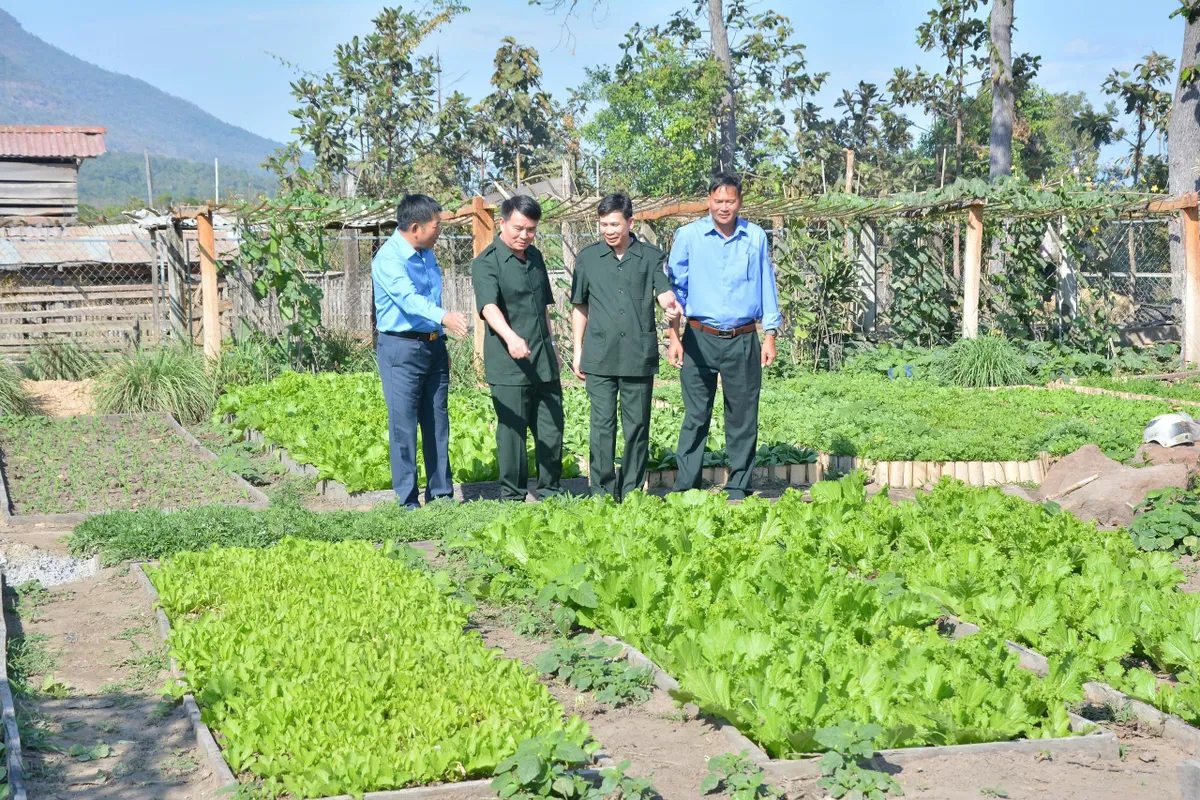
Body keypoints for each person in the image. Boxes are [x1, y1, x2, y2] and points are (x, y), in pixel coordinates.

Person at [666, 172, 781, 500]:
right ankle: (686, 486)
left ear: (740, 202)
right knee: (695, 414)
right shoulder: (688, 236)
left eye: (730, 201)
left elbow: (765, 285)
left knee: (743, 414)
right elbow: (675, 293)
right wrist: (674, 337)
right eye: (718, 201)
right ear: (708, 201)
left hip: (744, 339)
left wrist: (769, 334)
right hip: (698, 338)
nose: (724, 207)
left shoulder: (755, 236)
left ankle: (738, 486)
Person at [570, 193, 682, 501]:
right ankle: (602, 493)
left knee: (637, 427)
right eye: (603, 224)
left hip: (637, 355)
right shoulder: (588, 258)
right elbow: (580, 307)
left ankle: (632, 491)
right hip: (599, 357)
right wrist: (577, 351)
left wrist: (670, 310)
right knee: (601, 427)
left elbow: (664, 294)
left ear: (630, 222)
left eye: (614, 224)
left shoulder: (651, 257)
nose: (608, 230)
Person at [372, 194, 470, 509]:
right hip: (401, 349)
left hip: (432, 346)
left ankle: (441, 495)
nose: (440, 230)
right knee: (403, 425)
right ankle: (408, 501)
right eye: (436, 225)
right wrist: (445, 317)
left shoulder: (427, 252)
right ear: (416, 227)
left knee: (437, 422)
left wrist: (439, 337)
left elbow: (430, 296)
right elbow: (409, 299)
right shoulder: (389, 258)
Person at [472, 195, 564, 502]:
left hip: (543, 359)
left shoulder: (535, 257)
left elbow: (544, 308)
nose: (525, 235)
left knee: (551, 426)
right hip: (508, 362)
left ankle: (551, 490)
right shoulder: (486, 263)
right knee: (512, 432)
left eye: (531, 230)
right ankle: (512, 496)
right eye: (519, 228)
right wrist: (511, 337)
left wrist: (553, 346)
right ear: (502, 222)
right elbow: (488, 307)